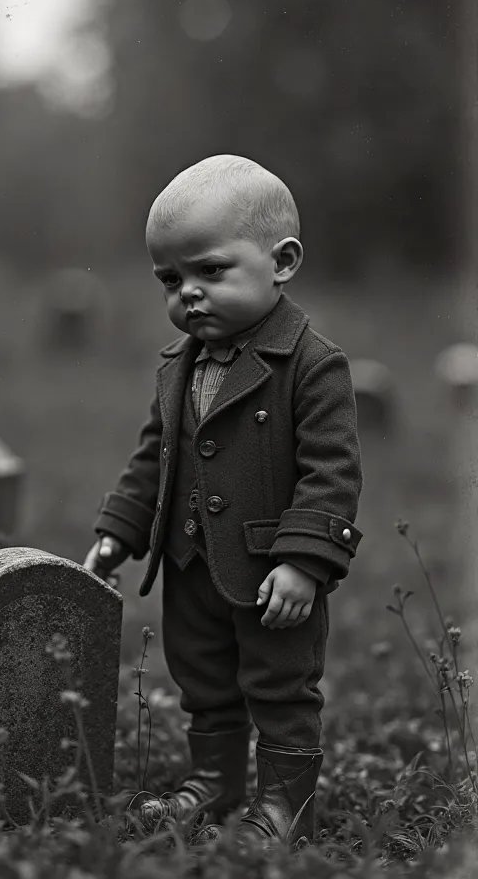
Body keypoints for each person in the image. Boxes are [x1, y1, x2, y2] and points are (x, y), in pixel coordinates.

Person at [83, 154, 363, 846]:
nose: (190, 295)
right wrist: (120, 529)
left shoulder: (310, 364)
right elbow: (156, 455)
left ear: (283, 260)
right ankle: (215, 783)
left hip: (273, 574)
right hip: (192, 565)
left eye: (211, 271)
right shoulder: (178, 364)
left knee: (279, 687)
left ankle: (283, 806)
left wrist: (304, 560)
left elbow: (333, 470)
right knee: (203, 680)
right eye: (172, 280)